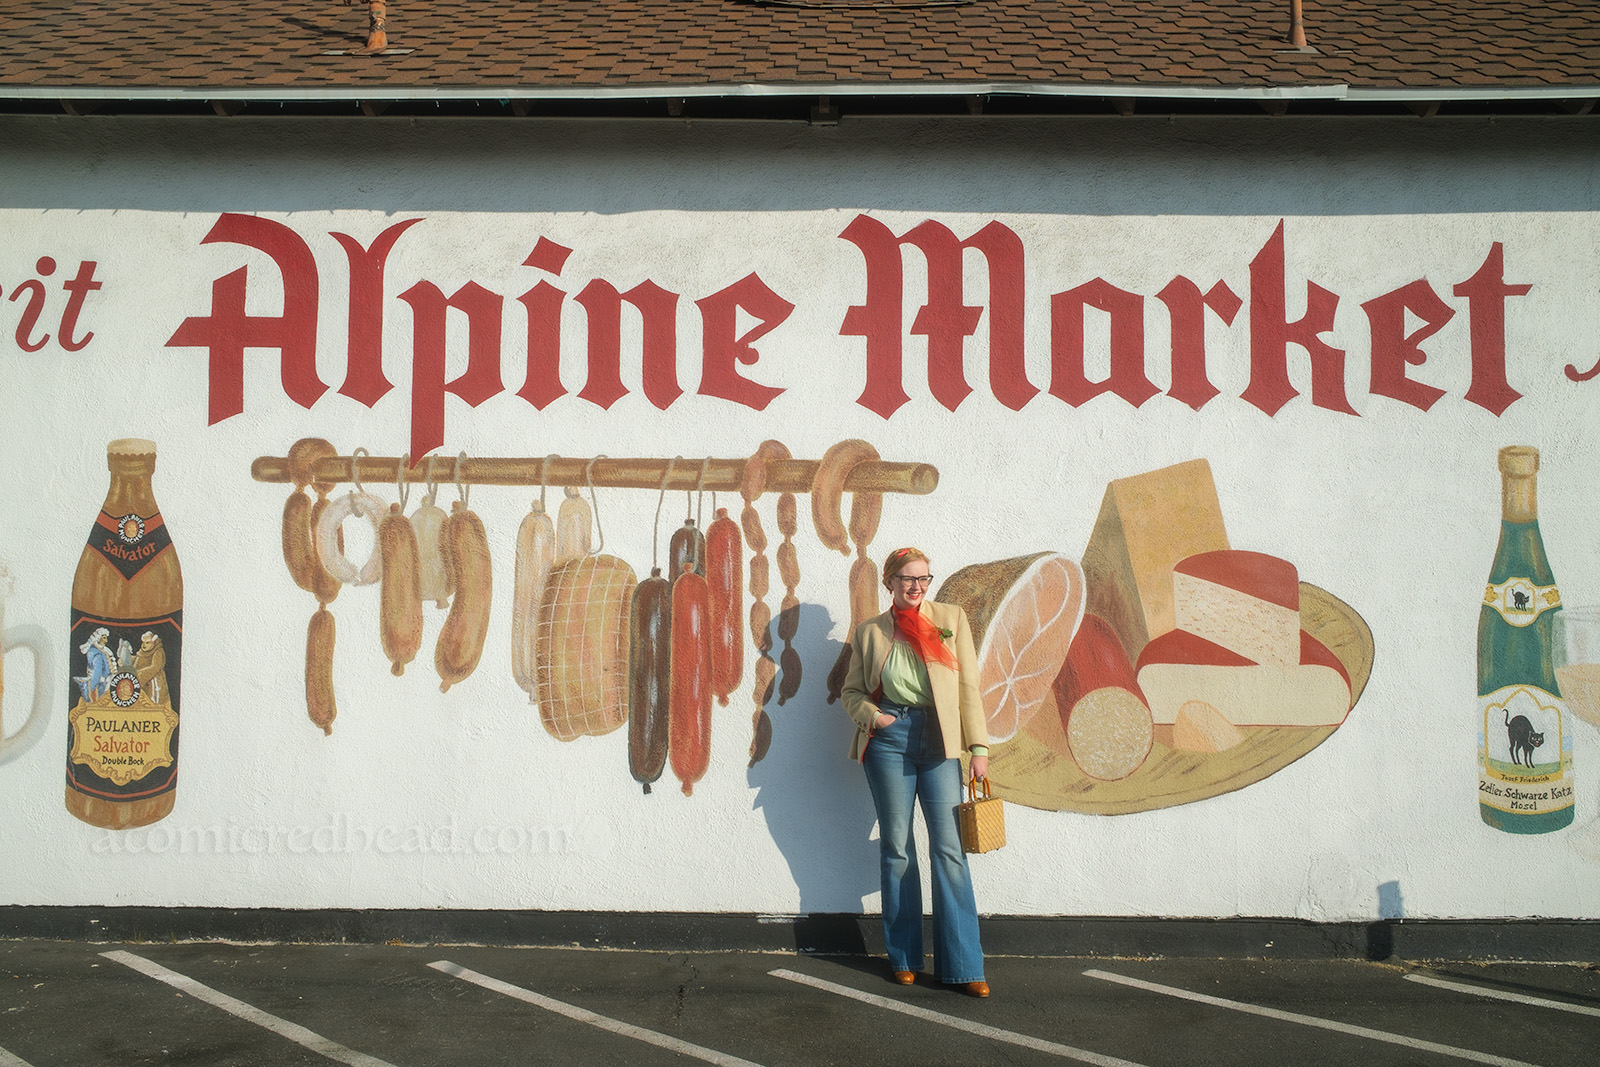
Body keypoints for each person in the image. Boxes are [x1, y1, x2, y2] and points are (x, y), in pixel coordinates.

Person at [841, 547, 990, 998]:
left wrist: (979, 747)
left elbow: (967, 687)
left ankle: (964, 965)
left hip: (940, 739)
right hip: (889, 739)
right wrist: (875, 717)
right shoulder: (870, 632)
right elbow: (850, 692)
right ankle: (904, 957)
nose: (916, 586)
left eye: (923, 578)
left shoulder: (952, 618)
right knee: (899, 847)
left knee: (949, 848)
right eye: (907, 579)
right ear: (889, 582)